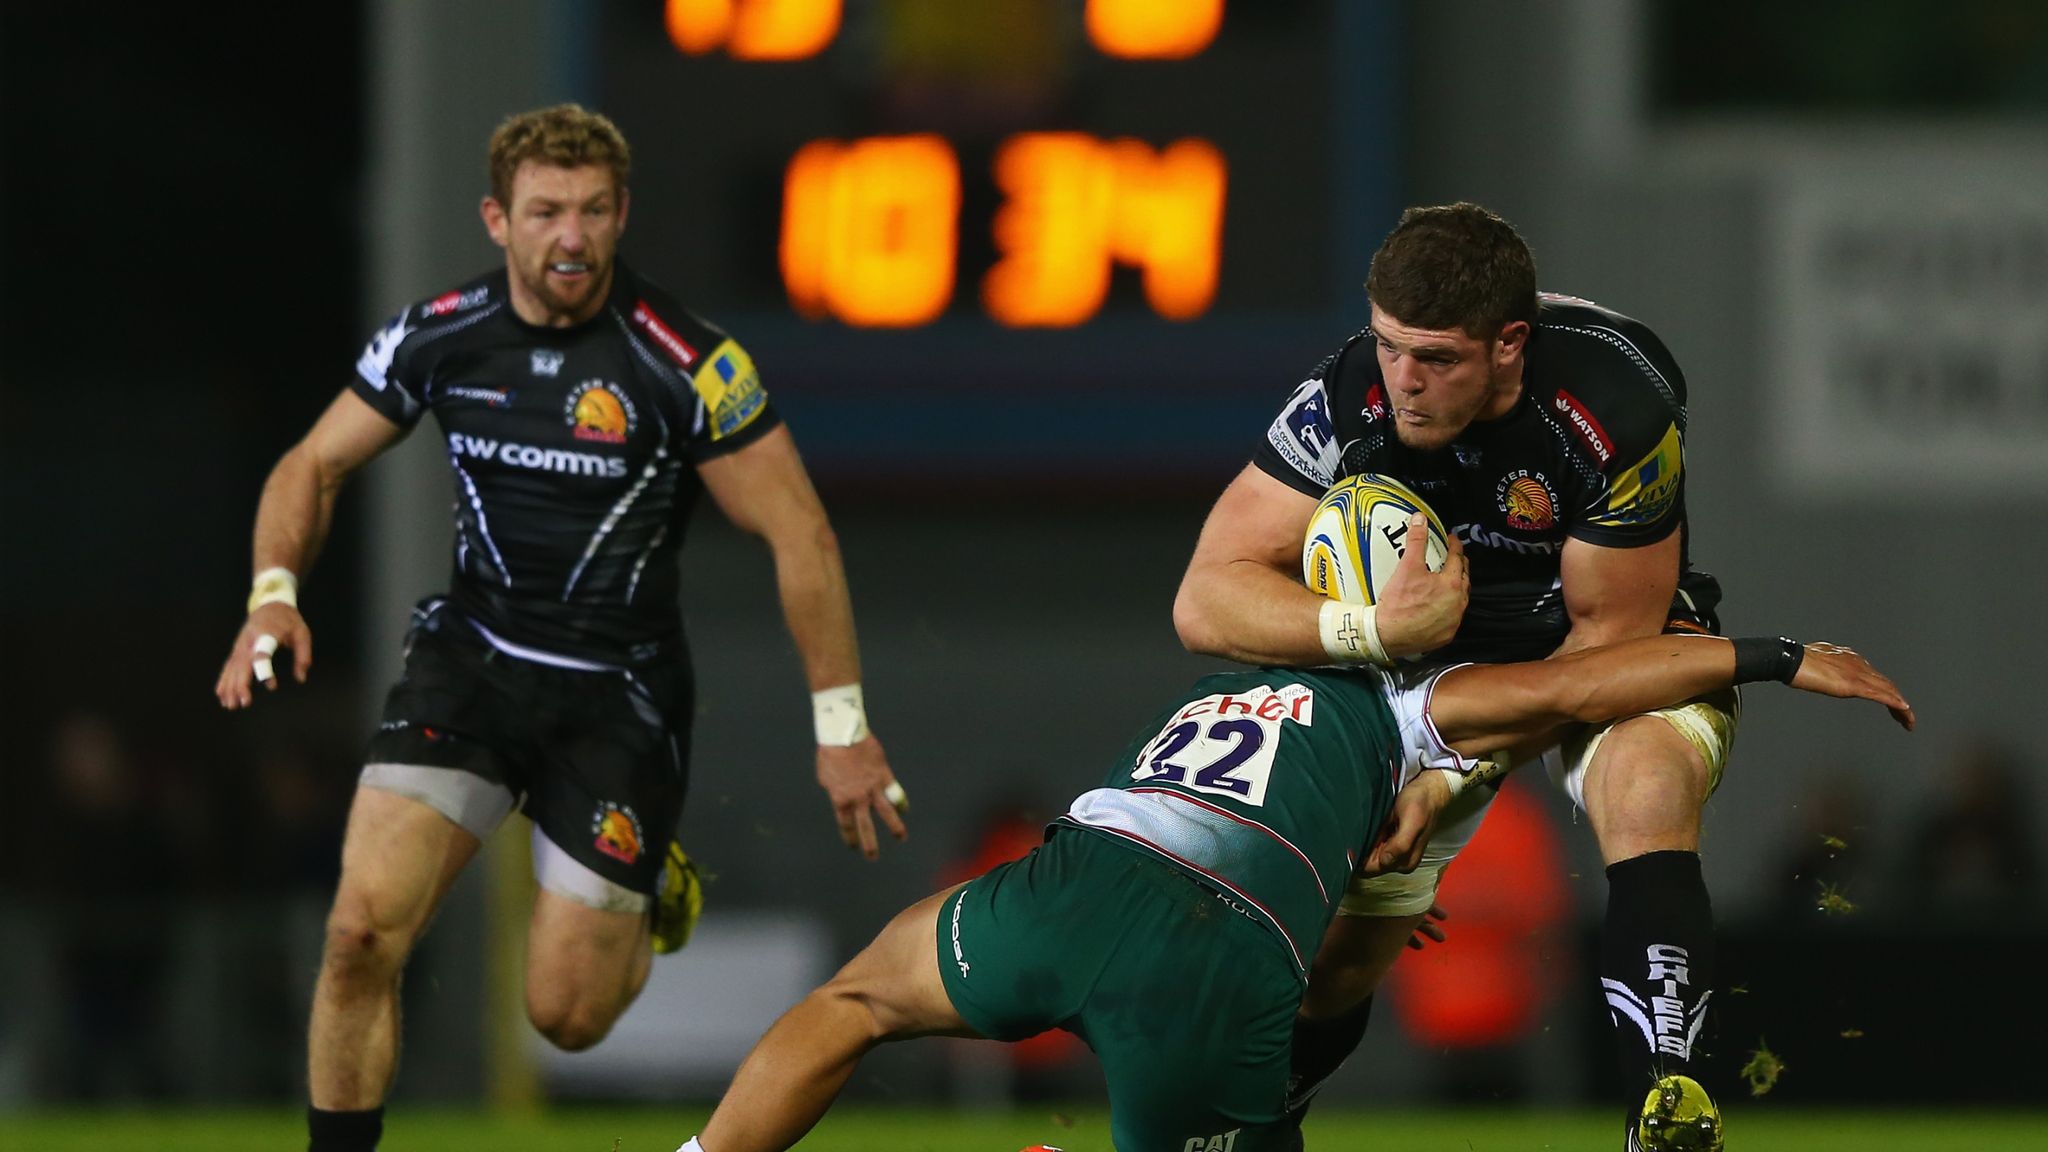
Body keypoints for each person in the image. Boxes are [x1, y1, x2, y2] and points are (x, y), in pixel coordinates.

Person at [671, 537, 1913, 1152]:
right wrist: (1777, 655)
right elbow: (1597, 687)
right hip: (1211, 948)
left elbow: (1264, 804)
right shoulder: (1410, 699)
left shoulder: (1237, 668)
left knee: (847, 1005)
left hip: (1075, 874)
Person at [211, 104, 909, 1152]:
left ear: (621, 213)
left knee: (566, 1020)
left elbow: (798, 535)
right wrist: (274, 590)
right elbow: (312, 462)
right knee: (358, 934)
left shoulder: (686, 362)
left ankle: (649, 887)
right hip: (470, 670)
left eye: (590, 211)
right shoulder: (440, 333)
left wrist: (842, 725)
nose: (570, 237)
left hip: (616, 699)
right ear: (498, 219)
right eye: (544, 212)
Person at [1171, 202, 1741, 1148]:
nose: (1404, 381)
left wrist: (1447, 775)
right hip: (1428, 656)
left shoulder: (1618, 408)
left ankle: (1667, 1098)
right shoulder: (1350, 391)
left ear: (1510, 343)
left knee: (1645, 780)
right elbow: (1205, 600)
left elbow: (1602, 653)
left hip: (1596, 641)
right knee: (1339, 970)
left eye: (1435, 359)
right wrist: (1370, 626)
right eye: (1390, 346)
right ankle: (1254, 1135)